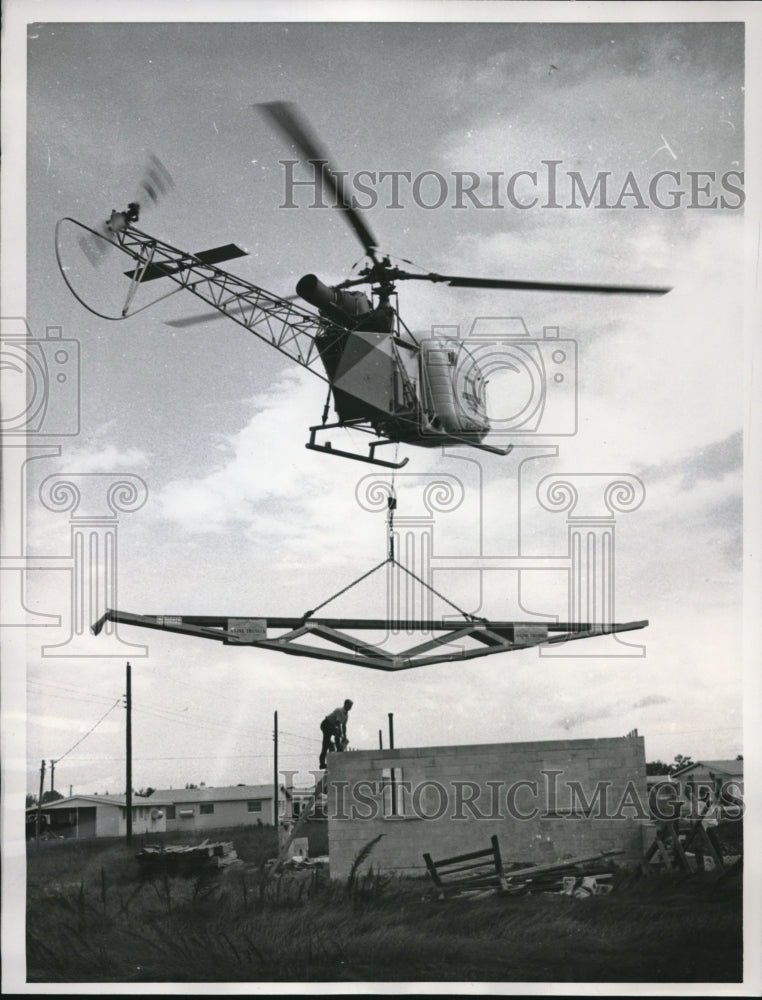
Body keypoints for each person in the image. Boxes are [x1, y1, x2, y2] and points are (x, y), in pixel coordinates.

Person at [319, 699, 353, 769]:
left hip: (332, 726)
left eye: (351, 706)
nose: (350, 708)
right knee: (326, 743)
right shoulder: (339, 710)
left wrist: (345, 736)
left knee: (336, 736)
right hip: (326, 724)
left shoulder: (346, 715)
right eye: (349, 706)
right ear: (345, 704)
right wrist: (340, 734)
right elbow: (338, 723)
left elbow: (344, 726)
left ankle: (337, 748)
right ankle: (322, 763)